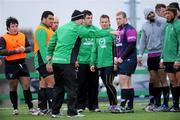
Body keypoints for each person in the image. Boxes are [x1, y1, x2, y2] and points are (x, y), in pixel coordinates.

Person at [47, 9, 88, 118]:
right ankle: (72, 113)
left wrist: (49, 55)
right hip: (67, 62)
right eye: (82, 19)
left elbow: (51, 42)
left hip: (56, 61)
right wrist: (109, 32)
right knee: (72, 88)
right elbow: (93, 32)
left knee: (58, 87)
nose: (83, 21)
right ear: (79, 19)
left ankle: (55, 112)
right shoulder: (77, 28)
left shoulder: (61, 29)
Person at [0, 17, 35, 115]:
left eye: (16, 26)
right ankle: (15, 108)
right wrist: (15, 51)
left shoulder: (22, 35)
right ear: (8, 28)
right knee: (13, 87)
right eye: (12, 26)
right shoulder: (3, 38)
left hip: (22, 63)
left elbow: (29, 47)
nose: (15, 28)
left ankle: (31, 108)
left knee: (27, 85)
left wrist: (24, 49)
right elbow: (2, 51)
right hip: (11, 65)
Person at [138, 8, 169, 112]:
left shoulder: (163, 21)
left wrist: (165, 55)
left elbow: (167, 38)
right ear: (146, 16)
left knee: (163, 79)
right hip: (151, 56)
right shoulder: (144, 25)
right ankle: (157, 104)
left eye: (152, 12)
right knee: (155, 81)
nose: (151, 14)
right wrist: (140, 55)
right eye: (149, 14)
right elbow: (142, 42)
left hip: (161, 54)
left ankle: (165, 104)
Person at [90, 14, 118, 112]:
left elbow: (117, 48)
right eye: (102, 22)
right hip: (100, 64)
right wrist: (92, 63)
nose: (104, 23)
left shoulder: (113, 33)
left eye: (106, 22)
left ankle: (114, 105)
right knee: (106, 85)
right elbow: (94, 50)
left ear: (109, 22)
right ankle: (111, 105)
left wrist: (116, 62)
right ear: (100, 23)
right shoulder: (97, 34)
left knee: (109, 83)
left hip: (109, 63)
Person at [113, 11, 137, 113]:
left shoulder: (130, 29)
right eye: (117, 19)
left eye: (120, 18)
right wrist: (115, 57)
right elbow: (116, 45)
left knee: (123, 82)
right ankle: (130, 106)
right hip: (122, 60)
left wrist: (122, 57)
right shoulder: (118, 30)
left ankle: (122, 106)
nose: (118, 20)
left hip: (128, 59)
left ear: (125, 19)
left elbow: (131, 45)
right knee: (128, 83)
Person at [76, 10, 100, 113]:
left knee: (94, 85)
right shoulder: (79, 30)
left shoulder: (96, 30)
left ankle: (93, 106)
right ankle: (80, 106)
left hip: (93, 62)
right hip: (81, 62)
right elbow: (75, 46)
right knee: (81, 85)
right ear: (83, 19)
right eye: (88, 18)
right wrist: (75, 59)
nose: (90, 20)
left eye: (91, 18)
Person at [33, 11, 55, 115]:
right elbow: (42, 48)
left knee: (43, 84)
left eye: (52, 19)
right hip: (43, 60)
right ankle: (52, 109)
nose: (52, 21)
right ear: (43, 19)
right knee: (51, 82)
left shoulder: (49, 29)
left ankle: (42, 109)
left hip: (45, 60)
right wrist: (48, 62)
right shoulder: (40, 29)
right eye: (50, 19)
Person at [160, 6, 180, 112]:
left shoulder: (178, 25)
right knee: (173, 82)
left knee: (178, 81)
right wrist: (162, 58)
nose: (166, 15)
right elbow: (165, 44)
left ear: (175, 14)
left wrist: (178, 59)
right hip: (168, 59)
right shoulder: (167, 26)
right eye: (165, 13)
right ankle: (176, 105)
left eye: (168, 13)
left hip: (176, 59)